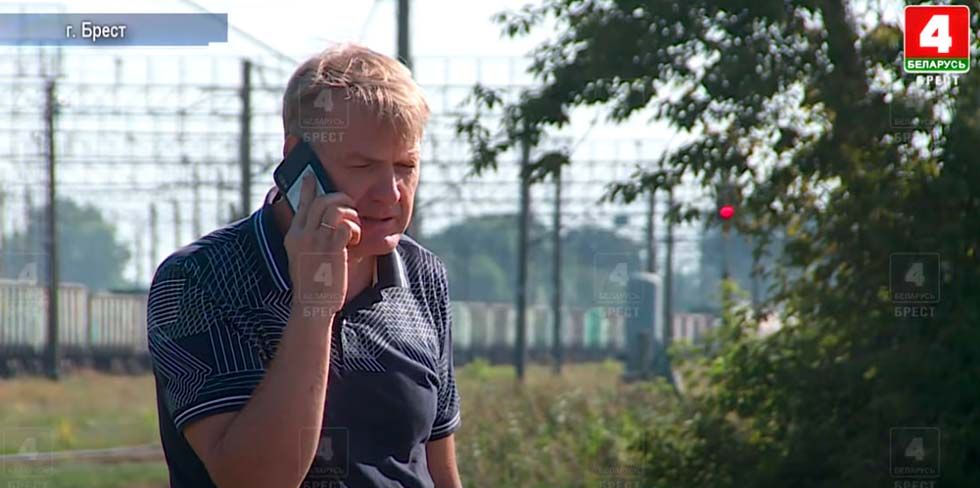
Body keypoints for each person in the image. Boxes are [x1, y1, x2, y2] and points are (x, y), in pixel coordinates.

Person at [146, 43, 462, 488]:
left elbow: (438, 467)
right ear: (297, 159)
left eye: (405, 166)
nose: (391, 193)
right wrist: (315, 305)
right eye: (363, 165)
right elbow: (256, 481)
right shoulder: (199, 279)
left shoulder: (423, 276)